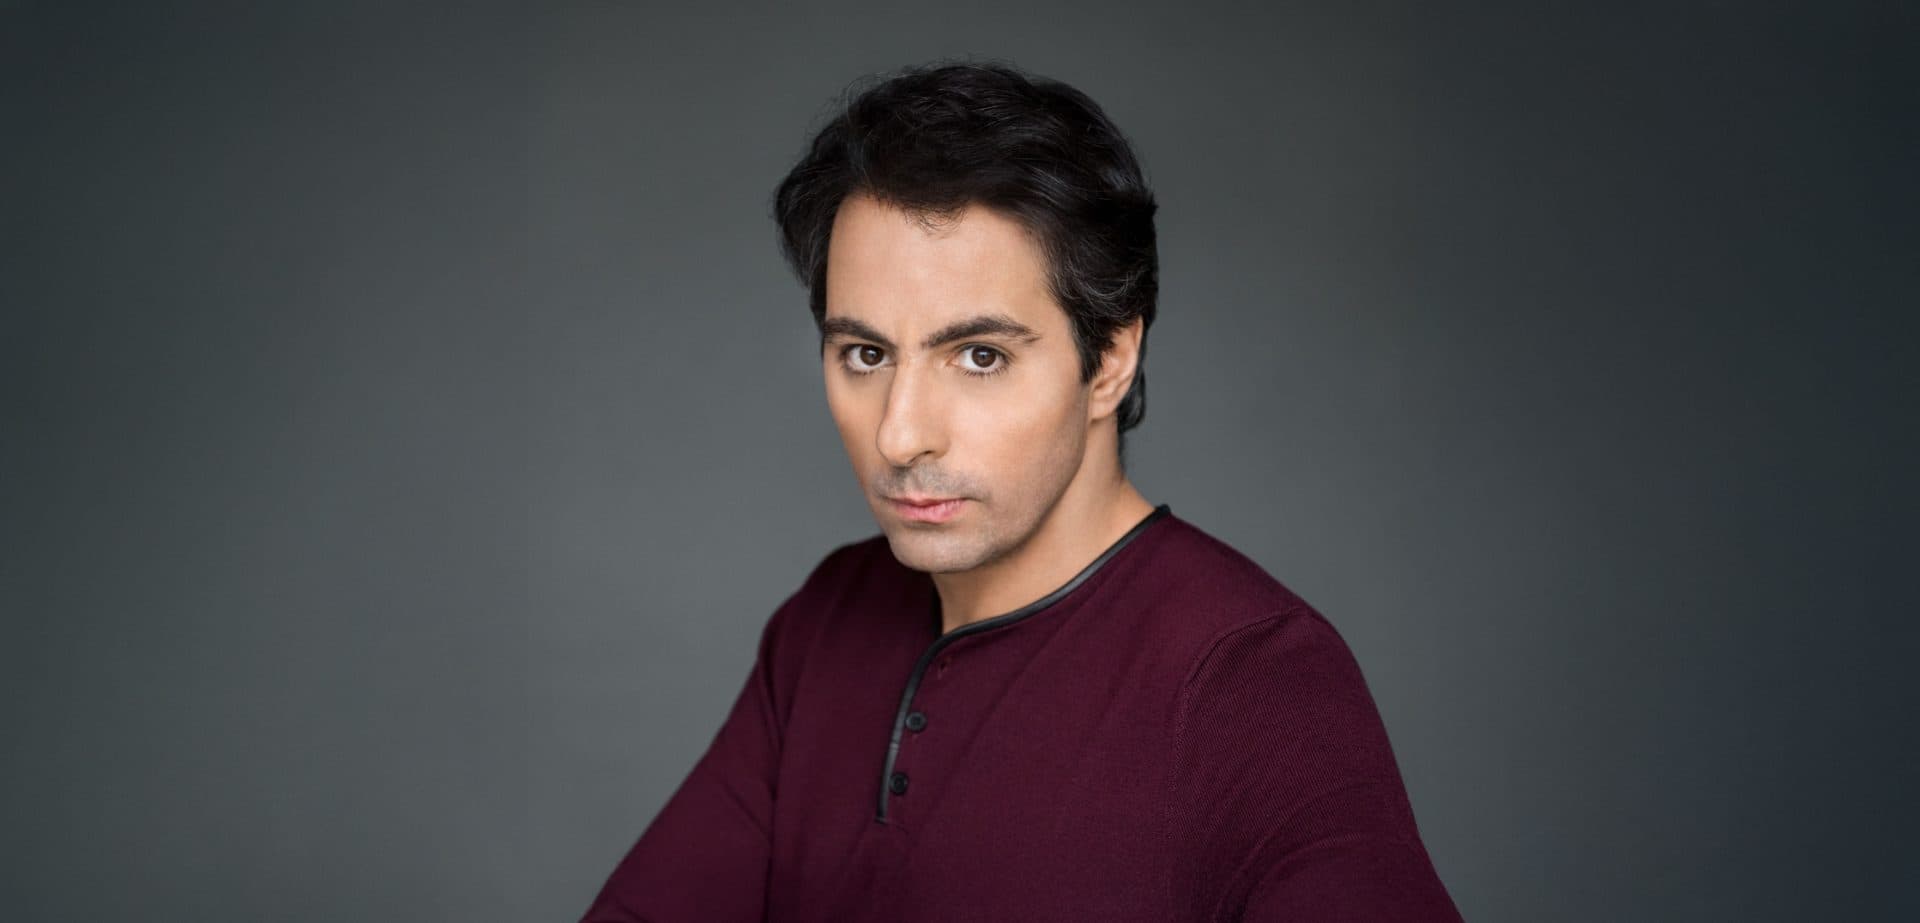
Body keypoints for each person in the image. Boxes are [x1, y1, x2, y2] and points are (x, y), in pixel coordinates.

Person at [580, 59, 1463, 922]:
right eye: (866, 354)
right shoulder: (828, 620)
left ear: (1109, 360)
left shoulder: (1252, 682)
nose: (900, 434)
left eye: (979, 356)